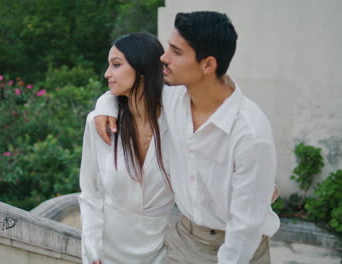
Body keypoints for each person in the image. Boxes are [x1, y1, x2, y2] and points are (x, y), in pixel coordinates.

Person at [93, 11, 280, 264]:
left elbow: (244, 230)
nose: (163, 57)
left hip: (239, 249)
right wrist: (105, 105)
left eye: (176, 52)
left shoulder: (250, 133)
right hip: (185, 239)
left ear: (207, 65)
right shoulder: (172, 101)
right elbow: (135, 90)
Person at [78, 32, 175, 264]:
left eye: (116, 65)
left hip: (161, 252)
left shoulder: (177, 122)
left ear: (142, 68)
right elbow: (89, 192)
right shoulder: (98, 123)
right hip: (105, 253)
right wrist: (91, 246)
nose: (107, 74)